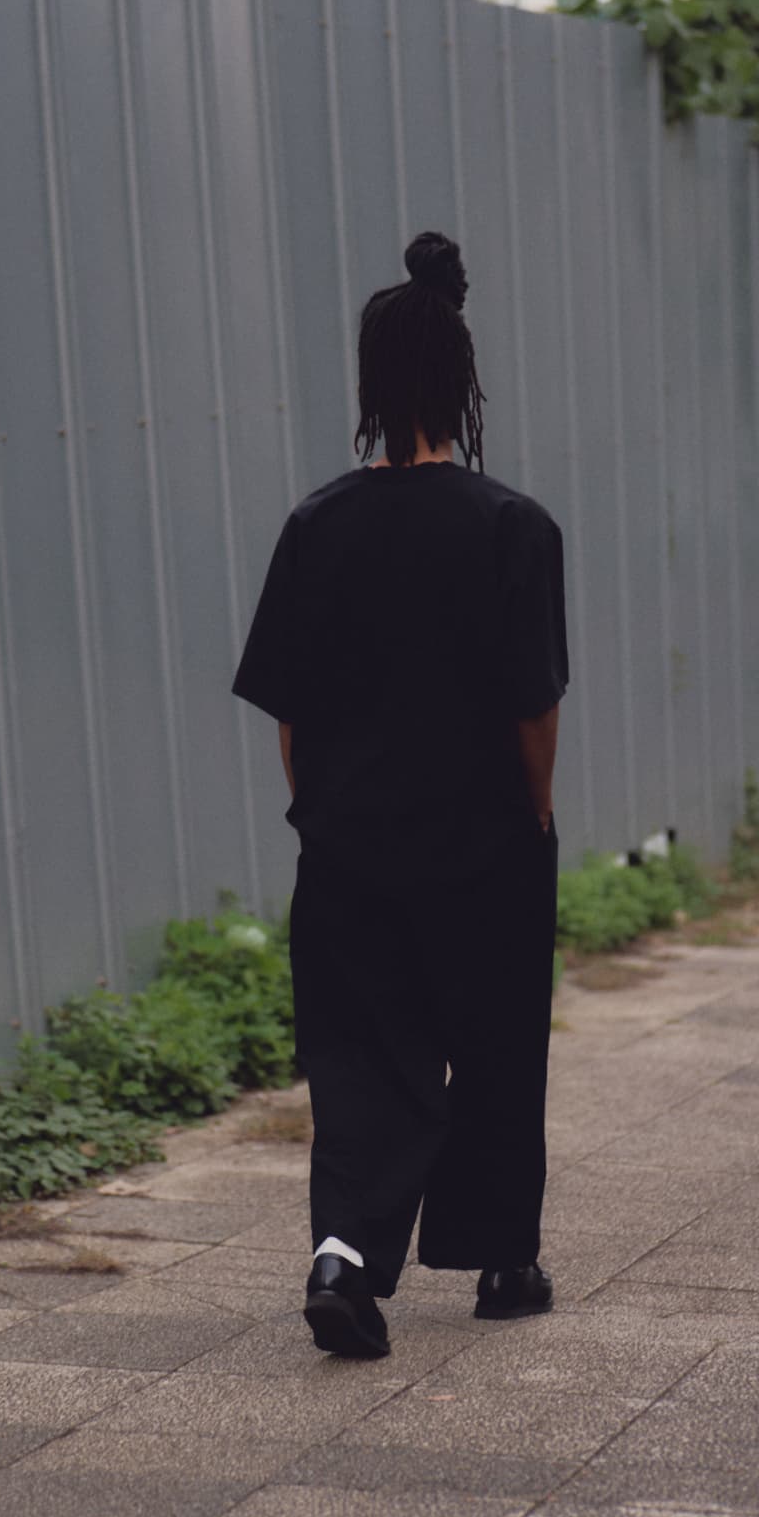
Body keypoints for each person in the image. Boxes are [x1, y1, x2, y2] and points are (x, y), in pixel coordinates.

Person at [231, 231, 570, 1358]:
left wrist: (323, 812)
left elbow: (289, 715)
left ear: (370, 389)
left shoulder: (316, 526)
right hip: (484, 840)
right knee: (496, 1038)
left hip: (349, 847)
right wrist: (534, 810)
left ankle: (343, 1255)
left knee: (362, 1054)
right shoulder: (513, 527)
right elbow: (533, 705)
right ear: (462, 383)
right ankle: (503, 1262)